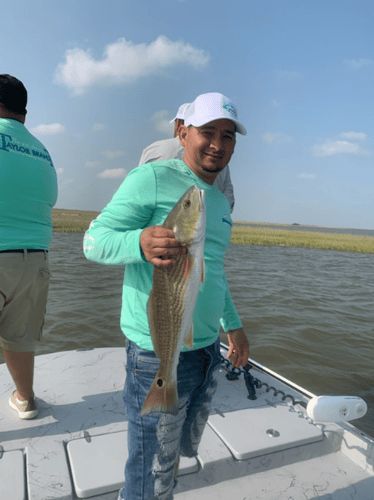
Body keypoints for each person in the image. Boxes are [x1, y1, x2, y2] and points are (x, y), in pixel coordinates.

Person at [83, 92, 249, 500]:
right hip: (156, 354)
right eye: (207, 132)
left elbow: (214, 268)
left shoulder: (220, 201)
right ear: (181, 131)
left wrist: (235, 326)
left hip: (208, 350)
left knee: (176, 454)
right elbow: (93, 240)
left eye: (227, 136)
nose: (217, 144)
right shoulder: (152, 178)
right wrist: (138, 243)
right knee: (148, 473)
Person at [0, 75, 58, 419]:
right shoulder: (42, 150)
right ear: (24, 110)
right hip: (34, 261)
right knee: (20, 337)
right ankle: (25, 398)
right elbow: (49, 198)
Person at [138, 101, 235, 212]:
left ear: (179, 125)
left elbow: (139, 192)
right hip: (207, 222)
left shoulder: (154, 149)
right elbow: (228, 202)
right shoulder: (219, 160)